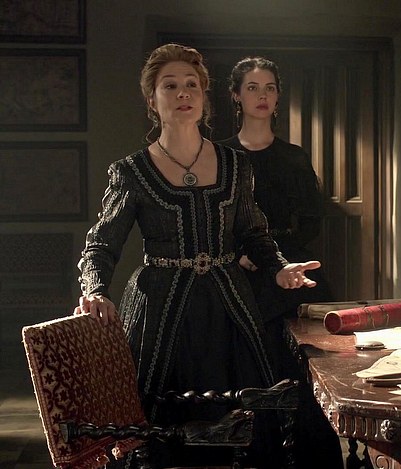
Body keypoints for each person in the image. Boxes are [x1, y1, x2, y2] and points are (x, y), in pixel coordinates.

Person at [75, 43, 320, 468]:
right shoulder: (132, 171)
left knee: (244, 422)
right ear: (152, 99)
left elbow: (253, 233)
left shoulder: (235, 164)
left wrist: (279, 268)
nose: (183, 93)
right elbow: (100, 245)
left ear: (204, 97)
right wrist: (95, 289)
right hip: (160, 310)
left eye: (192, 84)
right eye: (170, 86)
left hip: (228, 307)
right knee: (160, 428)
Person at [218, 56, 343, 469]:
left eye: (269, 88)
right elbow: (213, 221)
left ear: (277, 97)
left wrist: (272, 257)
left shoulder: (293, 157)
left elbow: (311, 223)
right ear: (236, 95)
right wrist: (242, 255)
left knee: (305, 368)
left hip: (289, 269)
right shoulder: (220, 156)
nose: (262, 95)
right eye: (252, 87)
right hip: (238, 274)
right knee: (254, 371)